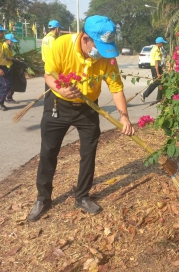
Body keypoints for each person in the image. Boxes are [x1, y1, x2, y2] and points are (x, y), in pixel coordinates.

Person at [27, 15, 135, 222]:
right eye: (98, 46)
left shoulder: (106, 57)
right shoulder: (61, 45)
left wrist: (124, 117)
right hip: (58, 104)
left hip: (88, 107)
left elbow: (116, 87)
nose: (100, 53)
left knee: (89, 153)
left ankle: (83, 195)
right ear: (85, 38)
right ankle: (43, 198)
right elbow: (49, 75)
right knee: (48, 152)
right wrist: (62, 89)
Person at [140, 37, 167, 103]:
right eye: (162, 43)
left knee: (161, 83)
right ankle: (145, 94)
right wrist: (158, 73)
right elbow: (156, 62)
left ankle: (159, 98)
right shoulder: (156, 50)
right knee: (156, 82)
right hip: (156, 68)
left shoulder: (154, 48)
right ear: (159, 43)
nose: (163, 44)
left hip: (156, 67)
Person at [42, 20, 63, 94]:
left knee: (48, 86)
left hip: (46, 65)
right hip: (53, 67)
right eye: (59, 29)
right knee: (54, 89)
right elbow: (55, 54)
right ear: (57, 29)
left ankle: (48, 105)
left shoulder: (45, 38)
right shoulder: (53, 39)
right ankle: (52, 105)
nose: (59, 31)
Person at [3, 33, 19, 103]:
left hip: (10, 66)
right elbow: (3, 57)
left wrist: (15, 59)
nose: (12, 43)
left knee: (12, 83)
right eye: (11, 41)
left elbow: (10, 56)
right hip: (6, 67)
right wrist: (11, 59)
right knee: (8, 83)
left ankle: (8, 97)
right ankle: (7, 98)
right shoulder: (3, 47)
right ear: (8, 40)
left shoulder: (9, 47)